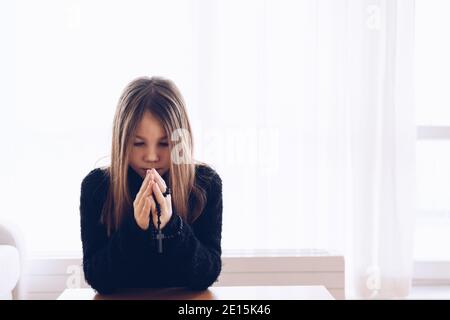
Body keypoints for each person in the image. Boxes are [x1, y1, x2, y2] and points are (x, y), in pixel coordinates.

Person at [79, 76, 223, 294]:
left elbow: (207, 274)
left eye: (164, 143)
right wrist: (136, 228)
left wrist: (173, 227)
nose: (152, 156)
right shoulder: (97, 187)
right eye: (139, 143)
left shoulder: (205, 184)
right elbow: (98, 278)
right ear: (122, 141)